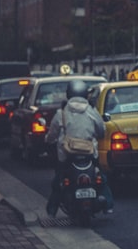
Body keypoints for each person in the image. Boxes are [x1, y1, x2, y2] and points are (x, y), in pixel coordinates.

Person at [45, 79, 113, 216]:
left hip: (66, 154)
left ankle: (52, 210)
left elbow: (52, 134)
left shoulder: (61, 113)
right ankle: (108, 206)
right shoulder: (92, 111)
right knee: (101, 180)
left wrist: (48, 140)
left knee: (58, 181)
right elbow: (101, 130)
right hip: (89, 153)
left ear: (69, 93)